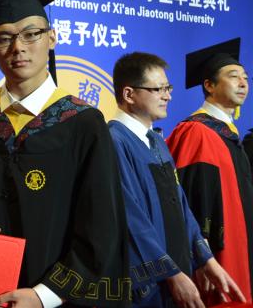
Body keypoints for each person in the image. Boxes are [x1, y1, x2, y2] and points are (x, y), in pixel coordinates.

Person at [0, 0, 130, 307]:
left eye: (31, 34)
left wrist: (44, 296)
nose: (18, 47)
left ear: (52, 38)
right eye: (4, 38)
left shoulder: (83, 122)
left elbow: (101, 223)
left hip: (57, 297)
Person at [108, 52, 243, 306]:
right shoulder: (113, 142)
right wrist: (170, 274)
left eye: (167, 88)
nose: (168, 96)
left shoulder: (156, 141)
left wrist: (206, 259)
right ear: (129, 94)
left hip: (177, 274)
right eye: (158, 89)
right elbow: (130, 218)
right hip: (148, 286)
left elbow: (180, 205)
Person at [167, 38, 253, 302]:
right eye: (233, 76)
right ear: (209, 85)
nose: (243, 83)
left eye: (245, 77)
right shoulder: (196, 131)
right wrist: (200, 255)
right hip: (216, 257)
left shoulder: (228, 134)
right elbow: (189, 198)